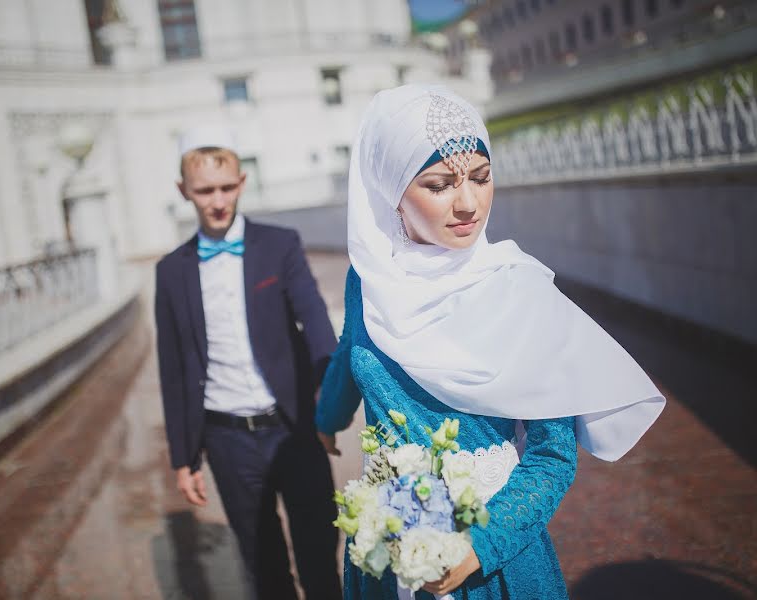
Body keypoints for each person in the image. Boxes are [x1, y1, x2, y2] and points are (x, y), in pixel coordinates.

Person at [315, 85, 665, 599]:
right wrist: (325, 418)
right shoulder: (367, 279)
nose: (468, 204)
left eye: (481, 178)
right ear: (390, 191)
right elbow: (352, 352)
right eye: (438, 185)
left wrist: (476, 546)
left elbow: (552, 456)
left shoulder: (518, 291)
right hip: (389, 553)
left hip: (492, 567)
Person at [154, 126, 342, 600]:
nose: (217, 200)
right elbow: (173, 367)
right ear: (184, 192)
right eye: (204, 191)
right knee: (264, 567)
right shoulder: (171, 270)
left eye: (226, 187)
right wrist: (183, 457)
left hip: (294, 426)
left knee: (320, 557)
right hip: (226, 438)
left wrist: (329, 404)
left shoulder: (279, 245)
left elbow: (315, 321)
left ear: (241, 182)